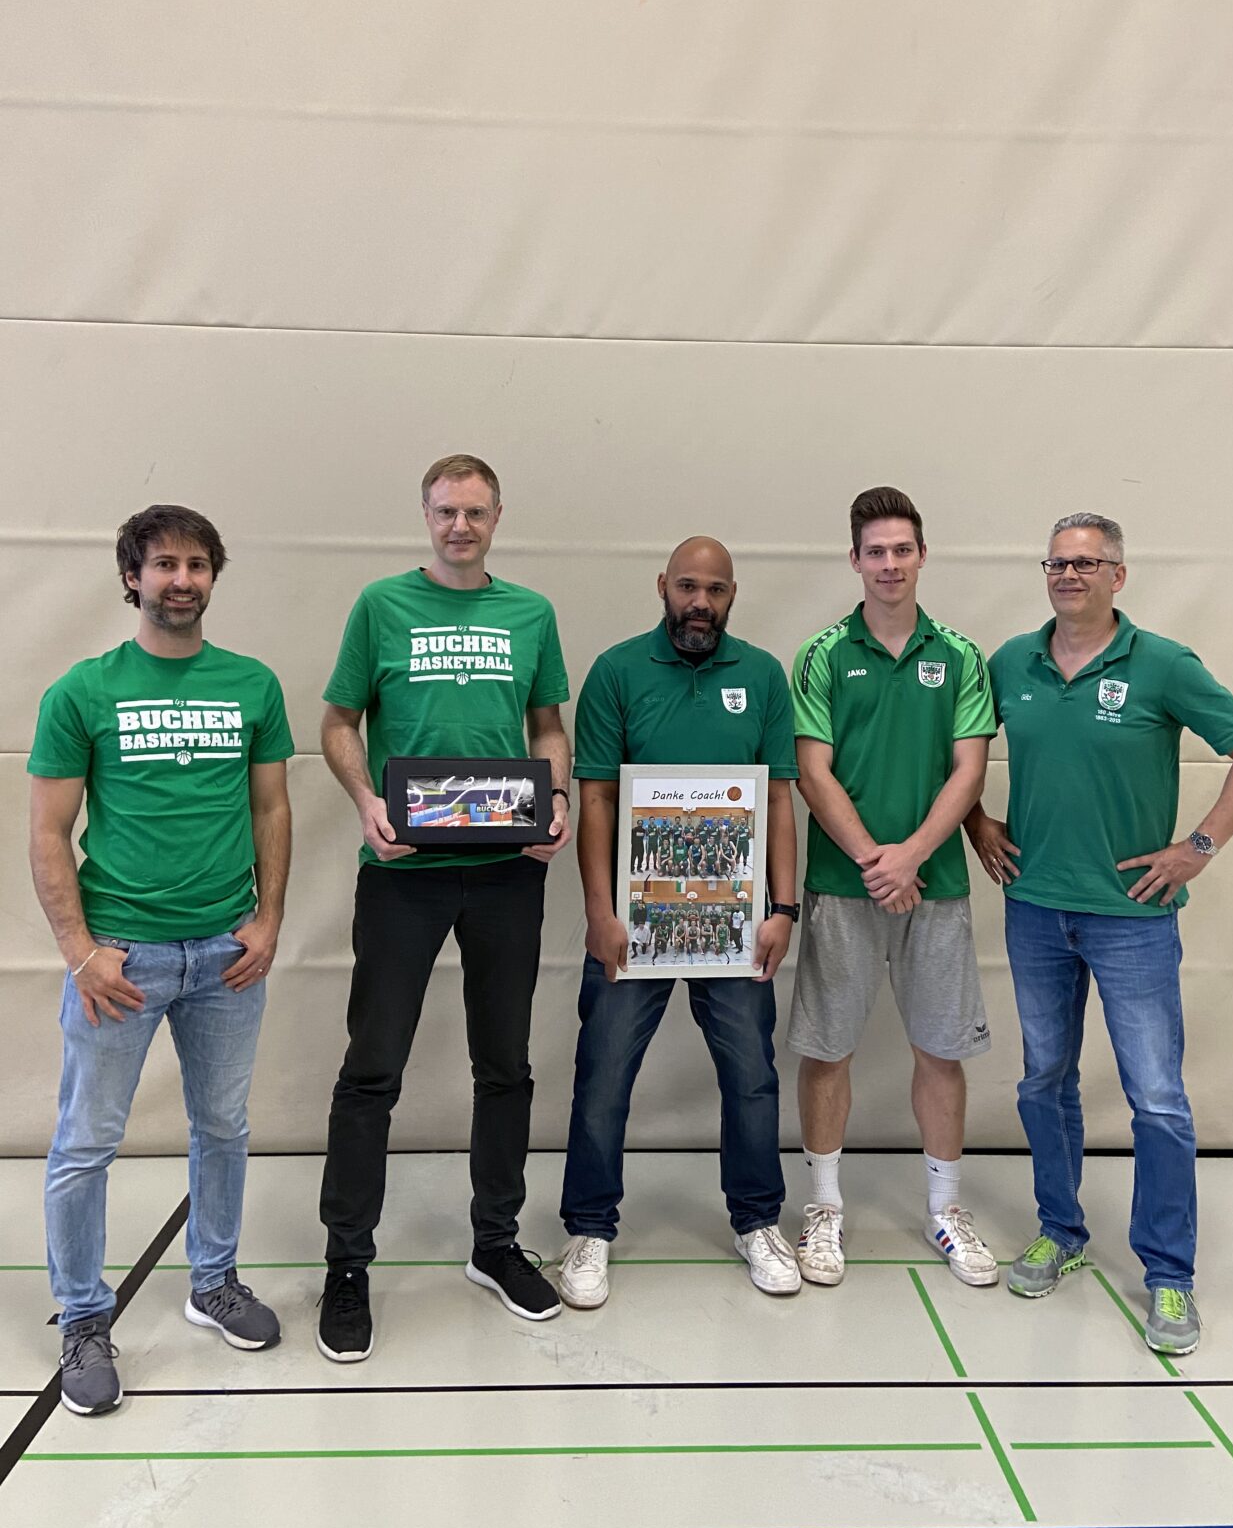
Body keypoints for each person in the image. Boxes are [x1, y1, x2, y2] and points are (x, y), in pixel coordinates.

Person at [965, 513, 1233, 1356]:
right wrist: (975, 821)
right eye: (1056, 563)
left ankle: (1170, 1275)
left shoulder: (1163, 664)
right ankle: (1060, 1232)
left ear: (1118, 574)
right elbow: (955, 754)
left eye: (1086, 563)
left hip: (1133, 918)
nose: (1068, 575)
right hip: (1036, 908)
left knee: (1158, 1100)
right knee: (1044, 1081)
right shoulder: (1011, 662)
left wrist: (1198, 847)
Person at [28, 505, 293, 1416]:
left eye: (197, 564)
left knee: (223, 1127)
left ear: (214, 576)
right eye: (164, 565)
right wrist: (80, 953)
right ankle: (82, 1318)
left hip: (226, 953)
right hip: (122, 960)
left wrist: (268, 919)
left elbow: (271, 810)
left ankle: (213, 1281)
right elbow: (48, 832)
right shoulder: (82, 691)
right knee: (85, 1144)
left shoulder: (252, 684)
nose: (181, 580)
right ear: (131, 577)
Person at [316, 454, 573, 1361]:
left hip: (508, 871)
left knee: (505, 1067)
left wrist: (556, 799)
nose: (459, 525)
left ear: (497, 516)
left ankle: (495, 1244)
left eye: (474, 511)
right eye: (445, 511)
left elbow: (547, 726)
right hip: (404, 872)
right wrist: (365, 801)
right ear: (425, 516)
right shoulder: (381, 606)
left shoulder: (531, 613)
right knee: (372, 1071)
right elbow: (339, 721)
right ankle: (347, 1266)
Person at [556, 537, 801, 1308]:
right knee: (603, 1073)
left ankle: (758, 1220)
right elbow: (596, 797)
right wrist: (599, 912)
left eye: (715, 590)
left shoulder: (763, 675)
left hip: (735, 924)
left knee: (752, 1076)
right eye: (688, 586)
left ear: (733, 595)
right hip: (636, 921)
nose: (701, 602)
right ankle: (589, 1228)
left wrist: (783, 908)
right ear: (663, 585)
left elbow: (779, 798)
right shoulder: (617, 671)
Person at [790, 487, 997, 1291]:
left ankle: (946, 1210)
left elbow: (969, 770)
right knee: (827, 1049)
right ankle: (825, 1209)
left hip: (935, 886)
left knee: (940, 1052)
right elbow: (813, 772)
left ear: (921, 556)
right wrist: (876, 862)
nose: (889, 564)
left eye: (901, 549)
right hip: (842, 886)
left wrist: (910, 856)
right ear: (855, 560)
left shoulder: (962, 656)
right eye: (874, 551)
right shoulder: (821, 655)